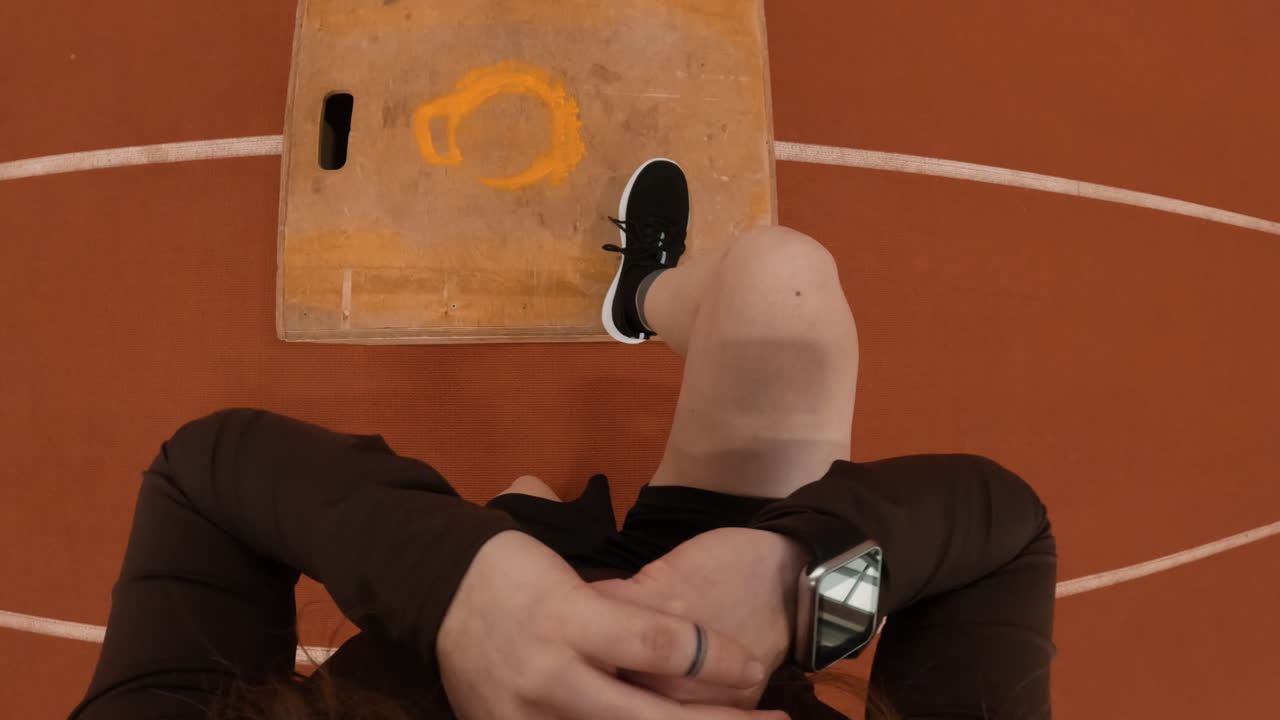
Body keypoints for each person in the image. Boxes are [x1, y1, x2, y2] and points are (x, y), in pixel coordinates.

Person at [70, 160, 1056, 720]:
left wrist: (462, 588)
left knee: (530, 491)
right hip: (712, 626)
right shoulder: (784, 611)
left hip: (497, 598)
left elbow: (204, 479)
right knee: (782, 279)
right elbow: (997, 536)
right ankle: (636, 301)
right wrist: (800, 593)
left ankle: (622, 332)